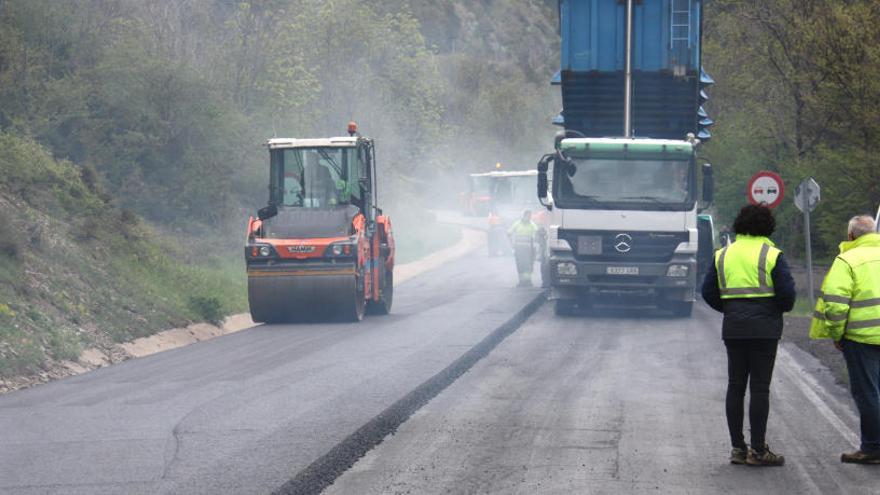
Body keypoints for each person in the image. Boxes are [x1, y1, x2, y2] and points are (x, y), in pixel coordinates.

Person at [702, 204, 796, 466]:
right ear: (768, 226)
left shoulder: (723, 254)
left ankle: (737, 449)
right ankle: (758, 450)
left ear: (739, 225)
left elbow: (707, 291)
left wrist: (731, 309)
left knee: (735, 386)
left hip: (734, 327)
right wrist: (770, 310)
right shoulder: (772, 254)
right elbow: (788, 297)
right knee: (759, 388)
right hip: (765, 330)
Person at [810, 215, 880, 464]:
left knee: (868, 393)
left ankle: (872, 448)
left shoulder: (847, 260)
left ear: (851, 236)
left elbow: (837, 304)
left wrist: (837, 335)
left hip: (861, 338)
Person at [508, 209, 539, 287]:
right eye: (527, 215)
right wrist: (511, 244)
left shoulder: (532, 224)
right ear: (524, 216)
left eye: (529, 216)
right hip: (519, 249)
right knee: (520, 265)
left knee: (528, 265)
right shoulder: (517, 224)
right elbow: (509, 233)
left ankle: (528, 281)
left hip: (528, 250)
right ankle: (521, 281)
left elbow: (537, 233)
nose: (528, 217)